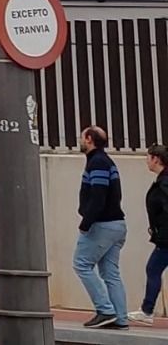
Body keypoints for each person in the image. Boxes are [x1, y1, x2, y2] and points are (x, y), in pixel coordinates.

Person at [75, 125, 129, 329]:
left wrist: (86, 223)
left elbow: (99, 196)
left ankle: (105, 310)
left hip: (102, 225)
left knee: (81, 264)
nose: (80, 141)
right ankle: (120, 318)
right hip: (117, 225)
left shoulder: (97, 163)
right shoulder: (106, 161)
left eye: (82, 137)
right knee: (110, 273)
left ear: (89, 139)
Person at [129, 144, 168, 326]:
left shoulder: (164, 183)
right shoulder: (163, 181)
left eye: (148, 157)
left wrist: (162, 234)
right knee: (153, 268)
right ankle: (146, 310)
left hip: (166, 239)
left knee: (153, 268)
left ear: (156, 159)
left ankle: (147, 311)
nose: (146, 161)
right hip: (164, 237)